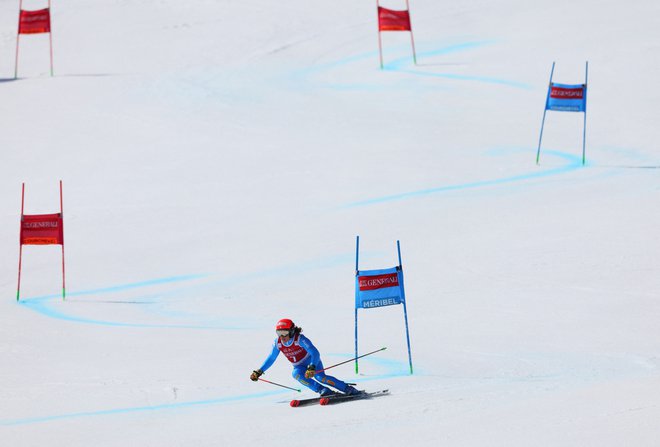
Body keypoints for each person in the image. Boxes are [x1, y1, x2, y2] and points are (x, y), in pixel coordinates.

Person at [250, 318, 360, 396]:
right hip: (299, 366)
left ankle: (348, 389)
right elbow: (271, 358)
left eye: (284, 333)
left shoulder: (300, 339)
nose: (282, 336)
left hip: (312, 362)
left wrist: (312, 366)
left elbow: (315, 353)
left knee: (320, 377)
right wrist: (259, 371)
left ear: (292, 331)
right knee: (296, 374)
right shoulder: (278, 343)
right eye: (279, 333)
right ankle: (322, 390)